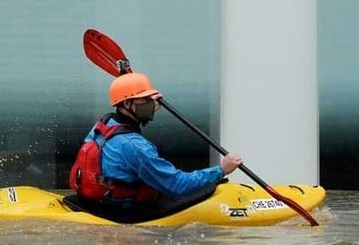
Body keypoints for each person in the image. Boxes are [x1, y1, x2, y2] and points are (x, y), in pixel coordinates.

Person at [69, 72, 242, 218]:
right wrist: (221, 169)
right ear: (127, 104)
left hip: (98, 200)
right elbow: (178, 185)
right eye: (145, 101)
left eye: (150, 100)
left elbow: (128, 132)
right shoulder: (136, 147)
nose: (150, 105)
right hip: (123, 209)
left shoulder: (106, 123)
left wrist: (148, 105)